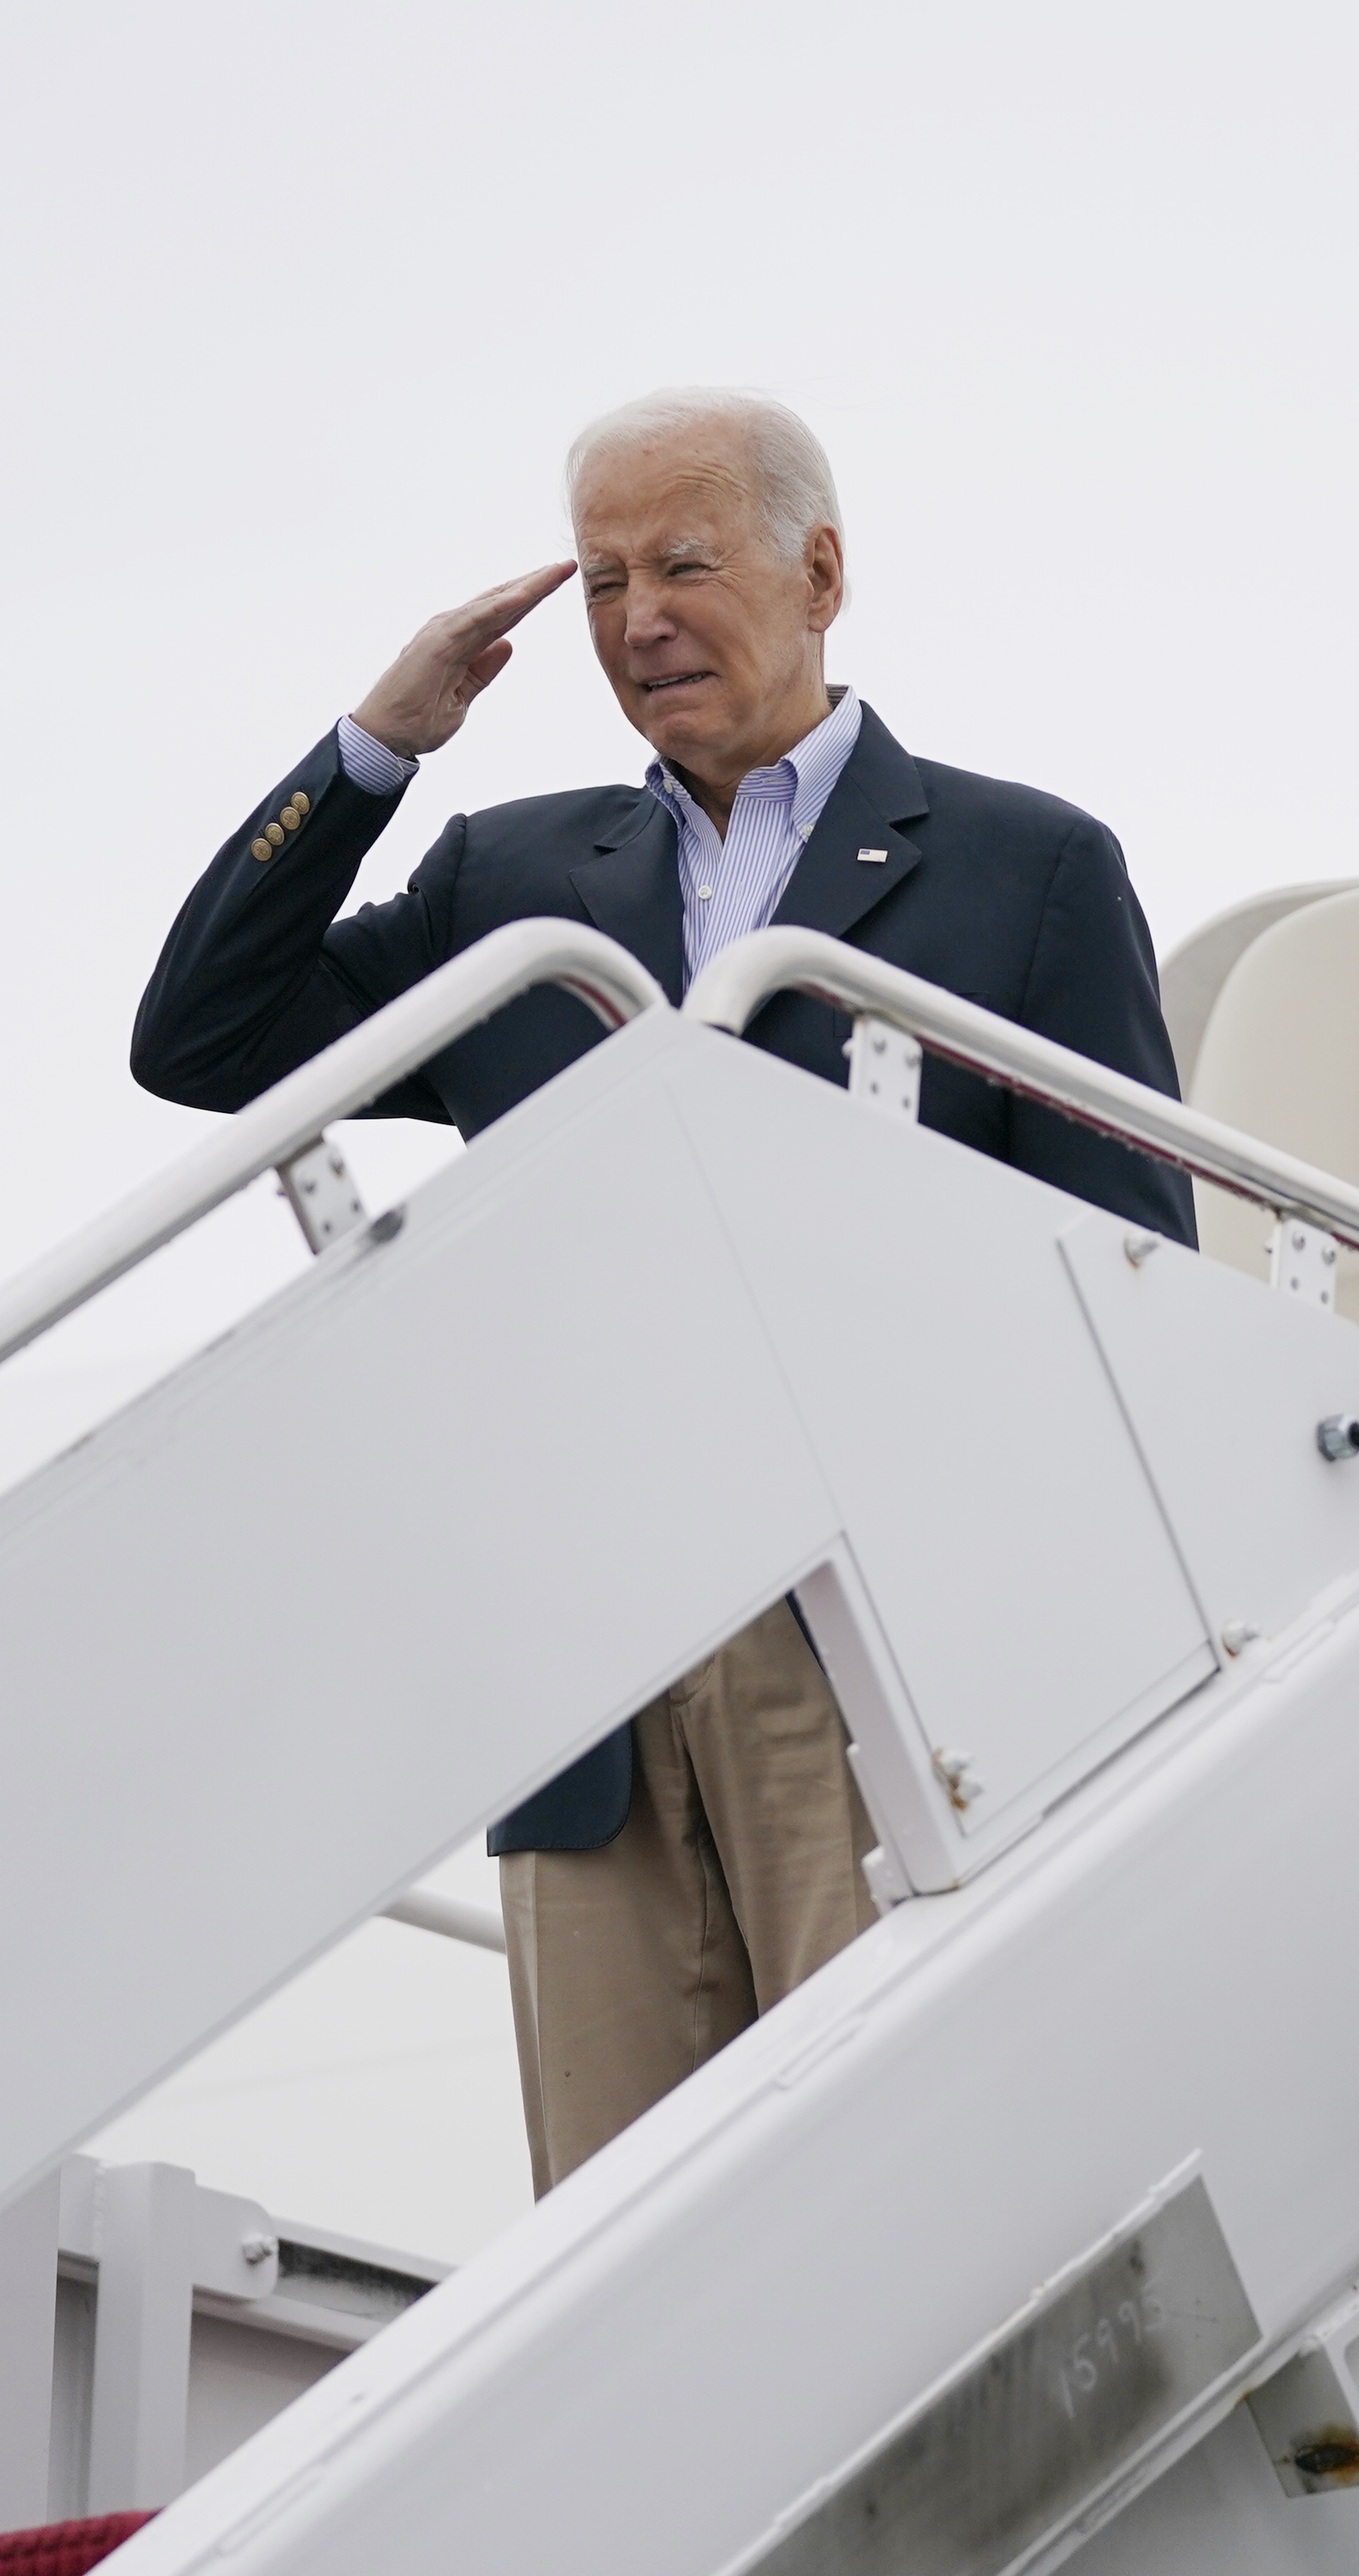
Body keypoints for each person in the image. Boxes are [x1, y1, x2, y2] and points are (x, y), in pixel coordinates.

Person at [131, 388, 1195, 2192]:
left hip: (878, 1647)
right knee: (618, 2230)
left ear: (821, 573)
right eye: (607, 578)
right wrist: (379, 749)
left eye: (685, 565)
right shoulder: (509, 880)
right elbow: (205, 1043)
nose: (639, 620)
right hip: (586, 1680)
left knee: (897, 2184)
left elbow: (1128, 1272)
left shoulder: (1028, 870)